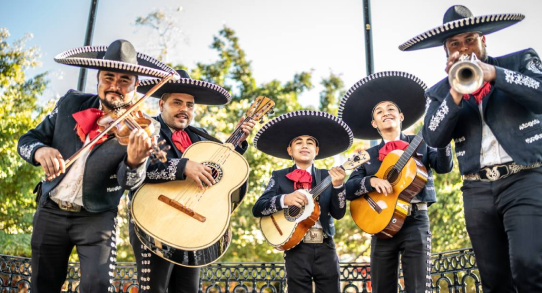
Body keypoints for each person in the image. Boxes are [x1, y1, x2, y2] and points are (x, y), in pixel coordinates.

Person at [400, 5, 542, 292]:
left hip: (526, 178)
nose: (464, 48)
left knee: (529, 265)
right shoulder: (440, 92)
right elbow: (433, 137)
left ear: (483, 40)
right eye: (454, 44)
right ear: (447, 52)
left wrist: (493, 73)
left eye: (470, 39)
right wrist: (455, 93)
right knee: (493, 279)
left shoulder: (520, 61)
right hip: (476, 190)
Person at [17, 39, 175, 293]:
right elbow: (27, 141)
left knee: (97, 285)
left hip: (97, 216)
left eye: (124, 80)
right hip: (51, 210)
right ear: (98, 80)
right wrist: (40, 151)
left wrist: (134, 161)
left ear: (136, 85)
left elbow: (130, 182)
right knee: (42, 285)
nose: (114, 86)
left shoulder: (147, 128)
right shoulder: (69, 103)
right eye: (108, 78)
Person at [129, 69, 255, 293]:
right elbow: (139, 170)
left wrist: (238, 141)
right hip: (154, 219)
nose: (184, 110)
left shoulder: (200, 135)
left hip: (191, 228)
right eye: (177, 102)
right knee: (154, 290)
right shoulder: (145, 129)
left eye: (189, 105)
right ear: (161, 105)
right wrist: (183, 166)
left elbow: (219, 169)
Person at [339, 71, 453, 292]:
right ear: (374, 123)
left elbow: (444, 167)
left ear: (401, 117)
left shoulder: (423, 142)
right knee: (382, 287)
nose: (386, 113)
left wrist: (443, 137)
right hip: (379, 223)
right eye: (379, 112)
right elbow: (349, 188)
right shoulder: (366, 154)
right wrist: (371, 181)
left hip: (416, 220)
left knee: (419, 287)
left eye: (391, 109)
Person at [251, 110, 353, 293]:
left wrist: (338, 187)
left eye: (310, 143)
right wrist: (284, 199)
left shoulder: (327, 176)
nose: (304, 146)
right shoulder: (279, 176)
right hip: (295, 248)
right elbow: (258, 208)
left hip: (325, 247)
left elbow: (338, 213)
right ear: (290, 150)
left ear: (317, 151)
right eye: (298, 142)